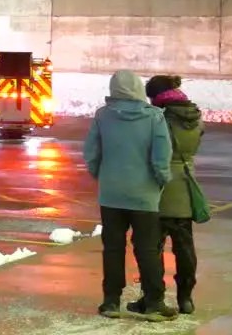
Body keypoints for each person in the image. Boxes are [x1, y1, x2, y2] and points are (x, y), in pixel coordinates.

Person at [83, 70, 177, 321]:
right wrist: (160, 182)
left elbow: (91, 153)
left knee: (112, 249)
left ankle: (111, 301)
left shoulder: (103, 116)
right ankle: (154, 302)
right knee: (147, 249)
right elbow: (161, 157)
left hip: (111, 196)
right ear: (137, 88)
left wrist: (103, 177)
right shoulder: (154, 117)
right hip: (144, 196)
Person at [146, 74, 204, 315]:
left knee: (151, 248)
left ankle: (154, 296)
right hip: (184, 187)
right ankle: (186, 298)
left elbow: (151, 152)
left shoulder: (158, 119)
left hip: (159, 190)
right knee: (185, 248)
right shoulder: (196, 117)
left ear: (157, 97)